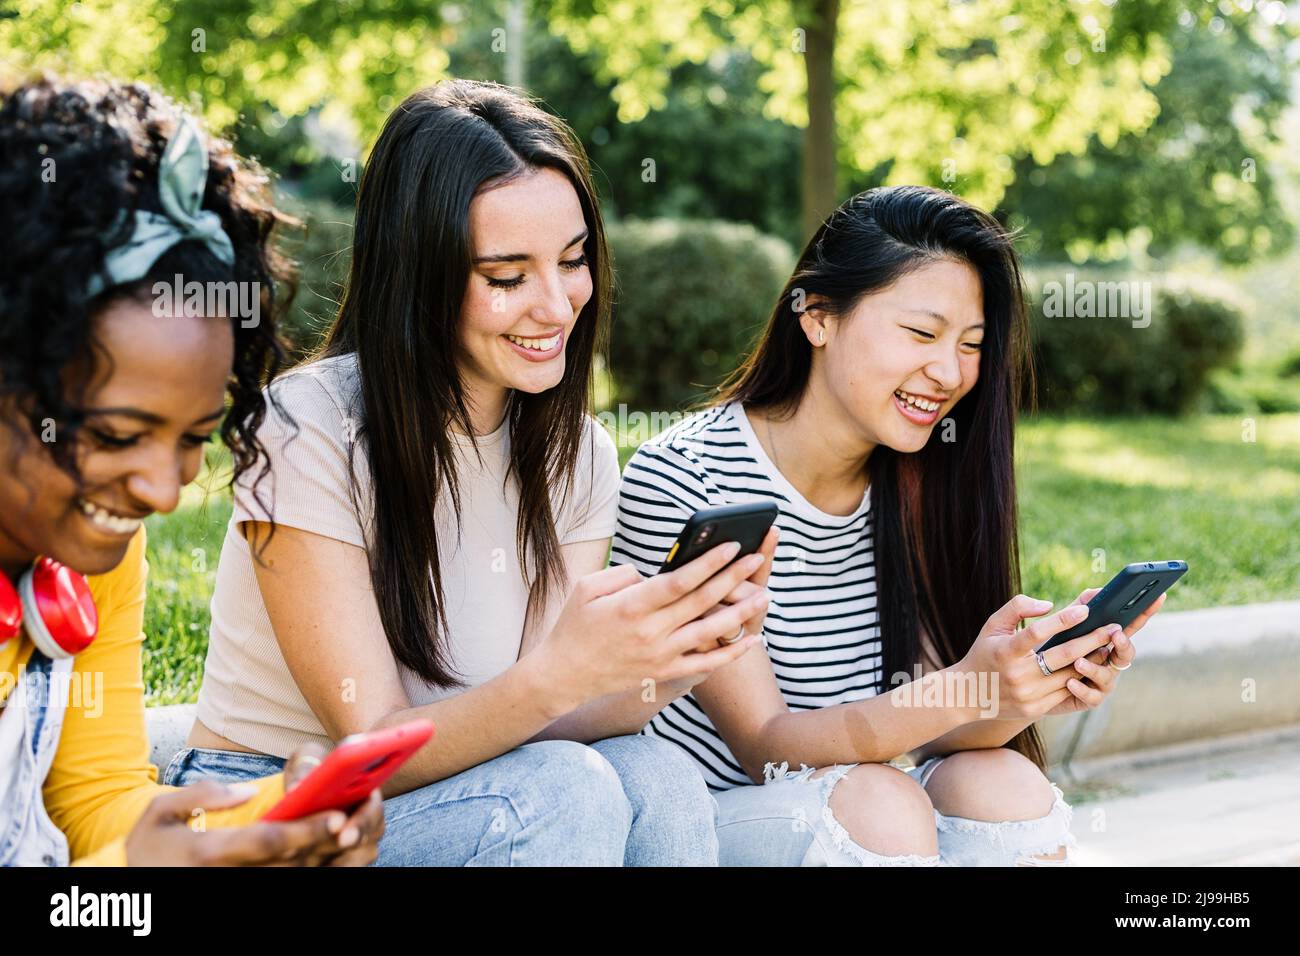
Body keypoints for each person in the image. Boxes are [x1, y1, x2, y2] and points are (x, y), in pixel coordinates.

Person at [170, 80, 768, 866]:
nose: (557, 306)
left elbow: (526, 719)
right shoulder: (309, 425)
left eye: (574, 261)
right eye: (508, 277)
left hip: (474, 787)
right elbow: (374, 742)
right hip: (281, 807)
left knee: (658, 776)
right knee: (567, 791)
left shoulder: (575, 453)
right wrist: (561, 674)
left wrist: (670, 659)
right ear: (421, 275)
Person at [611, 185, 1167, 866]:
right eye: (922, 332)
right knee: (882, 801)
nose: (948, 371)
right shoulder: (690, 479)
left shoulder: (915, 475)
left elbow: (938, 730)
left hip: (858, 805)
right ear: (816, 315)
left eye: (971, 344)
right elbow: (767, 748)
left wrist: (1028, 685)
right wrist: (967, 687)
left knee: (1001, 780)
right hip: (705, 828)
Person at [0, 75, 383, 866]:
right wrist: (129, 887)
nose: (161, 491)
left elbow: (97, 801)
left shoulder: (81, 549)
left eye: (192, 437)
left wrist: (274, 821)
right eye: (114, 435)